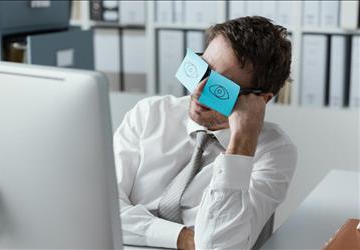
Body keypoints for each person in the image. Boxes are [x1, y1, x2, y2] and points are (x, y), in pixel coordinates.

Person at [114, 16, 297, 249]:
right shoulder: (149, 114)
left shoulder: (274, 152)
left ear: (260, 100)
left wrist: (241, 144)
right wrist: (182, 237)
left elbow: (219, 245)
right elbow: (102, 208)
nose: (198, 91)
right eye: (202, 69)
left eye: (220, 87)